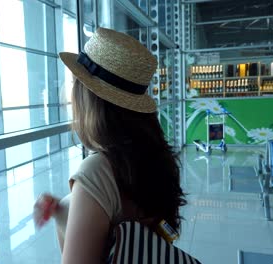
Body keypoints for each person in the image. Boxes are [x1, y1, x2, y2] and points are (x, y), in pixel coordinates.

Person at [33, 27, 186, 263]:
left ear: (90, 101)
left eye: (76, 84)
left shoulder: (96, 171)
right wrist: (64, 210)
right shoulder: (153, 158)